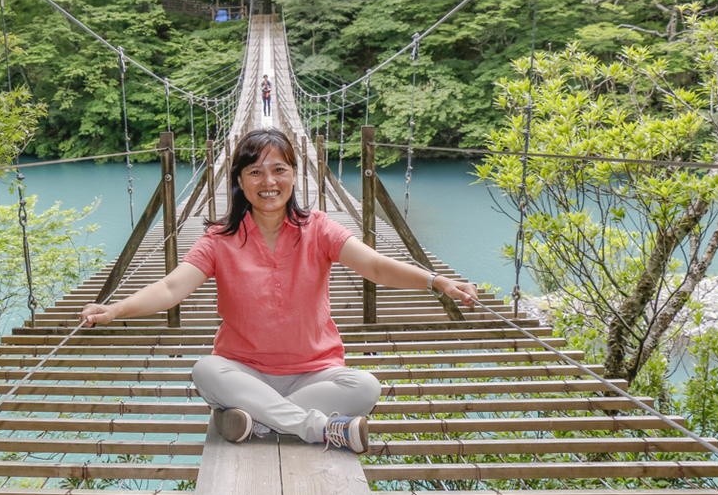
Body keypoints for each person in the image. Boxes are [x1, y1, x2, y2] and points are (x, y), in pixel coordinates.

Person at [80, 129, 479, 454]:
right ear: (238, 180)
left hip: (315, 373)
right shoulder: (219, 239)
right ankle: (319, 429)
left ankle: (255, 423)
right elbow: (171, 287)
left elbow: (374, 265)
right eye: (254, 172)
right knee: (205, 370)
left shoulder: (319, 227)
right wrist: (116, 309)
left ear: (294, 175)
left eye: (279, 170)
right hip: (243, 370)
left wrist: (436, 280)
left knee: (365, 386)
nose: (268, 182)